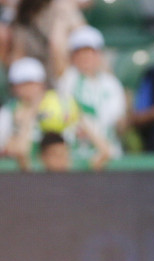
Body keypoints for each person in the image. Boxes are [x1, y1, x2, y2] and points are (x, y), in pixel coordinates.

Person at [0, 56, 109, 170]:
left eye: (32, 83)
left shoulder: (59, 105)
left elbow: (105, 152)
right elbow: (21, 153)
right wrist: (29, 118)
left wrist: (78, 116)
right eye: (22, 84)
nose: (28, 89)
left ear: (42, 84)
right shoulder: (8, 112)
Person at [56, 25, 127, 161]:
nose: (86, 57)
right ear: (73, 56)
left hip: (109, 157)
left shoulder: (111, 83)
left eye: (90, 52)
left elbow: (118, 121)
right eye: (80, 52)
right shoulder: (68, 79)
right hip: (76, 156)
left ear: (99, 54)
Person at [8, 0, 85, 85]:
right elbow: (18, 54)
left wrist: (58, 29)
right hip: (37, 71)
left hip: (67, 67)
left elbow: (83, 38)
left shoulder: (63, 7)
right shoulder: (22, 13)